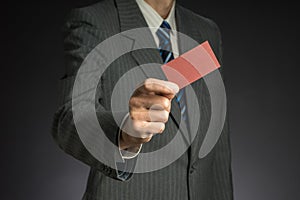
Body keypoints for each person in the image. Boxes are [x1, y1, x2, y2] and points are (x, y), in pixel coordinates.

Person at [51, 0, 233, 199]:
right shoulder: (96, 22)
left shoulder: (206, 31)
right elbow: (71, 119)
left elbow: (217, 142)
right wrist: (124, 132)